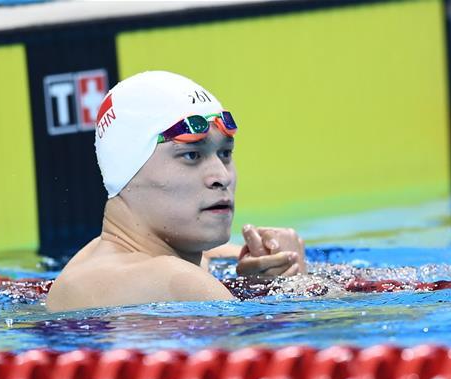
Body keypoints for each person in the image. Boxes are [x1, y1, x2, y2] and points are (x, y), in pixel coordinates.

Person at [46, 71, 305, 312]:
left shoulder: (101, 256)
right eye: (191, 155)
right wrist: (297, 284)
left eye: (225, 153)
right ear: (126, 169)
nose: (222, 177)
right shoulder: (177, 280)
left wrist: (278, 266)